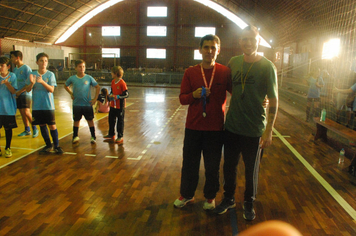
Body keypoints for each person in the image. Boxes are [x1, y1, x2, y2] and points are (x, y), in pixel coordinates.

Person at [214, 25, 278, 221]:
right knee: (229, 167)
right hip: (232, 126)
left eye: (251, 39)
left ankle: (249, 202)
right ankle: (228, 198)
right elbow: (229, 88)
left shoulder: (268, 67)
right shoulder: (234, 62)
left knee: (251, 170)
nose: (248, 42)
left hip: (254, 129)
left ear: (258, 41)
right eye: (244, 39)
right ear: (240, 41)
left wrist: (269, 131)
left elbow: (274, 100)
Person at [173, 34, 232, 210]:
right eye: (206, 47)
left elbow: (239, 93)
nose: (209, 51)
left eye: (213, 48)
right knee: (190, 164)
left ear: (218, 51)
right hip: (193, 127)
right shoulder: (190, 72)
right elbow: (182, 99)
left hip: (215, 129)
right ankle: (187, 195)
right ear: (200, 50)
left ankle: (210, 197)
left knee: (212, 166)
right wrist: (194, 95)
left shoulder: (224, 72)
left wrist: (261, 100)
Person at [26, 52, 64, 154]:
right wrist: (32, 83)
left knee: (52, 125)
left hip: (48, 105)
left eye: (46, 61)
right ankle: (48, 145)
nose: (44, 63)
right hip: (37, 106)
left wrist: (42, 82)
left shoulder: (50, 74)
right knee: (42, 125)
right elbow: (28, 90)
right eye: (41, 61)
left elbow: (51, 90)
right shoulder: (33, 75)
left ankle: (56, 146)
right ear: (37, 62)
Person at [64, 59, 100, 144]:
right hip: (76, 104)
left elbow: (97, 87)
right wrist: (71, 93)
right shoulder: (72, 78)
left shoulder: (89, 78)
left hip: (87, 104)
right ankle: (75, 136)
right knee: (76, 120)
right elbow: (65, 86)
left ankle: (93, 136)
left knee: (90, 120)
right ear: (76, 68)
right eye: (80, 67)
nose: (82, 68)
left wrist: (95, 99)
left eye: (83, 66)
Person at [10, 50, 39, 138]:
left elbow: (29, 83)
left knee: (26, 111)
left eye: (12, 57)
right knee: (22, 113)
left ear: (17, 58)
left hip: (25, 94)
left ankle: (35, 128)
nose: (11, 59)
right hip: (17, 94)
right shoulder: (15, 69)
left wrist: (20, 91)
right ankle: (27, 129)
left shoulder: (26, 68)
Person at [103, 66, 128, 145]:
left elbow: (126, 94)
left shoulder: (122, 83)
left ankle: (120, 136)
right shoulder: (113, 82)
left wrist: (118, 97)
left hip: (120, 106)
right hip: (113, 105)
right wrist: (110, 95)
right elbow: (112, 91)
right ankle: (111, 134)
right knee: (111, 120)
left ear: (116, 73)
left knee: (120, 122)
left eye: (112, 72)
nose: (111, 74)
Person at [0, 57, 18, 158]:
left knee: (8, 129)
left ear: (8, 66)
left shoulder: (12, 76)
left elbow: (13, 91)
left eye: (2, 66)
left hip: (8, 109)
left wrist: (7, 83)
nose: (0, 68)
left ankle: (8, 147)